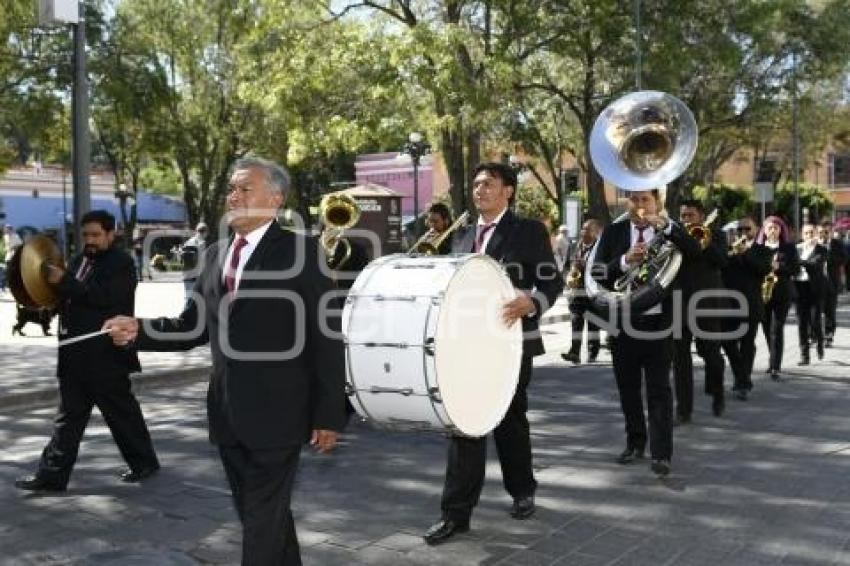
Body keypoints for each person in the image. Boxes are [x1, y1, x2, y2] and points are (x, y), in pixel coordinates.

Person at [104, 157, 345, 566]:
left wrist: (329, 414)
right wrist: (139, 330)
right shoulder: (216, 254)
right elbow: (191, 324)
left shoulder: (302, 251)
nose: (232, 196)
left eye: (244, 189)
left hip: (281, 414)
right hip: (227, 413)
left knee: (259, 519)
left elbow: (327, 338)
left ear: (274, 199)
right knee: (263, 514)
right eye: (231, 190)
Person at [422, 162, 563, 545]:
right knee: (463, 424)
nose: (480, 189)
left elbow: (552, 280)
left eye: (489, 183)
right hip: (463, 346)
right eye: (477, 184)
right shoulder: (461, 236)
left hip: (511, 342)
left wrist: (531, 301)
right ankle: (455, 515)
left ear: (509, 191)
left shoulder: (529, 231)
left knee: (509, 418)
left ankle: (522, 491)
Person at [14, 210, 159, 492]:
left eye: (95, 235)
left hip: (106, 355)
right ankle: (51, 476)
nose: (89, 241)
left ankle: (144, 463)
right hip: (74, 354)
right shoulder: (80, 260)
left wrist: (65, 282)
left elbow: (107, 298)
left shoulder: (122, 264)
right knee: (68, 418)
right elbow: (72, 298)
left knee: (121, 414)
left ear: (110, 234)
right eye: (85, 235)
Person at [590, 188, 699, 478]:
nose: (639, 205)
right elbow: (599, 272)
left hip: (660, 322)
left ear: (657, 203)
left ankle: (661, 453)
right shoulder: (613, 232)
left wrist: (670, 227)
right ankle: (635, 442)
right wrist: (624, 261)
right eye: (634, 199)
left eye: (645, 200)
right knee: (627, 387)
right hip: (623, 322)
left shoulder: (670, 230)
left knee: (659, 389)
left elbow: (696, 253)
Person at [674, 200, 728, 420]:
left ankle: (718, 393)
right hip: (679, 302)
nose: (686, 220)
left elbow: (723, 261)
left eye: (690, 215)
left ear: (701, 216)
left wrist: (705, 244)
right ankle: (684, 410)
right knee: (680, 359)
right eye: (683, 216)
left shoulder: (716, 235)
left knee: (711, 354)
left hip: (707, 303)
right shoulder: (675, 235)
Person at [720, 217, 772, 400]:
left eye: (747, 228)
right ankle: (741, 376)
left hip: (751, 304)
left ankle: (742, 381)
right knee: (728, 343)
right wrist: (731, 252)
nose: (743, 232)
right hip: (729, 305)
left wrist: (745, 254)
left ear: (756, 229)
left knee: (747, 344)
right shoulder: (729, 249)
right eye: (739, 229)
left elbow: (762, 270)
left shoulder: (763, 250)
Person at [756, 216, 798, 380]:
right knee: (767, 329)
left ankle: (775, 366)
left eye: (776, 228)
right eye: (769, 228)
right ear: (764, 231)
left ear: (781, 230)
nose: (772, 230)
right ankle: (772, 358)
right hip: (763, 293)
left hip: (782, 293)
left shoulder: (788, 248)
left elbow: (795, 269)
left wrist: (779, 266)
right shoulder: (758, 248)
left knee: (776, 329)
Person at [562, 219, 602, 364]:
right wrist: (569, 276)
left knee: (593, 323)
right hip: (576, 292)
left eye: (587, 229)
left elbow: (604, 268)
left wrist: (586, 266)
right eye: (582, 229)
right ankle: (574, 352)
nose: (583, 232)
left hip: (592, 291)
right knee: (575, 322)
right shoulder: (573, 247)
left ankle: (592, 352)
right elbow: (566, 266)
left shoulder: (599, 248)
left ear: (595, 232)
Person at [794, 223, 828, 365]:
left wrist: (800, 262)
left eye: (811, 233)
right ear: (802, 234)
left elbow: (815, 264)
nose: (809, 236)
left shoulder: (821, 249)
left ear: (816, 234)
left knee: (815, 321)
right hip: (800, 288)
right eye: (806, 233)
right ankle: (804, 355)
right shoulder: (797, 248)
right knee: (801, 323)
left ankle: (820, 343)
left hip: (815, 289)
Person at [818, 221, 846, 347]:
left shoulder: (837, 244)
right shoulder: (815, 243)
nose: (825, 233)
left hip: (832, 282)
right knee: (817, 310)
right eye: (823, 231)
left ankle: (829, 334)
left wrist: (830, 256)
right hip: (816, 283)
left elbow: (845, 259)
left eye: (828, 231)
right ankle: (815, 333)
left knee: (830, 310)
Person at [180, 222, 208, 299]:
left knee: (188, 298)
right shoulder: (202, 243)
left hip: (186, 274)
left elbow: (181, 258)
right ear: (205, 232)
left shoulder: (187, 242)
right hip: (196, 276)